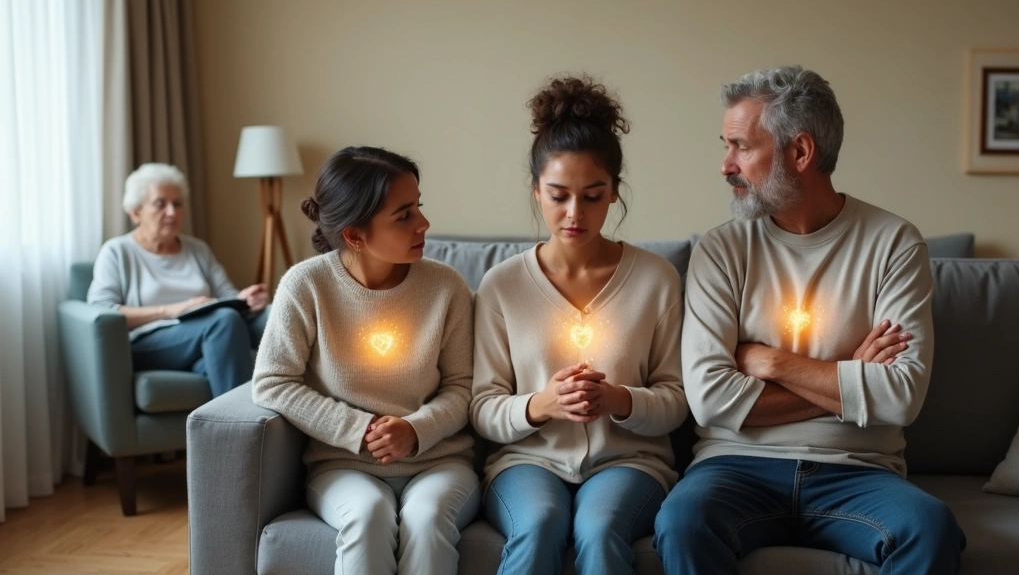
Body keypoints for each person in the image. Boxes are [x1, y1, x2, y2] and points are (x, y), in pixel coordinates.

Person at [652, 66, 966, 574]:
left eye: (741, 147)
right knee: (683, 522)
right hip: (734, 468)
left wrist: (770, 362)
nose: (725, 165)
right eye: (726, 145)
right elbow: (709, 400)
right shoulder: (722, 249)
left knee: (930, 528)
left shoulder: (893, 244)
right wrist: (849, 375)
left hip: (860, 472)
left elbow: (901, 397)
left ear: (800, 153)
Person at [471, 76, 687, 575]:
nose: (574, 213)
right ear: (536, 193)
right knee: (541, 521)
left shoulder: (655, 279)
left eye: (592, 196)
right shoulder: (502, 285)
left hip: (630, 462)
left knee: (600, 527)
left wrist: (619, 400)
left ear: (614, 193)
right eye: (558, 195)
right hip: (526, 463)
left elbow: (677, 399)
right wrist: (541, 405)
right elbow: (482, 407)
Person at [252, 147, 479, 575]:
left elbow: (463, 386)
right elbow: (273, 381)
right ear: (356, 235)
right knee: (368, 514)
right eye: (404, 214)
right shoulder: (306, 286)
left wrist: (416, 429)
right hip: (342, 465)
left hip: (440, 462)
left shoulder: (446, 286)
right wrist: (361, 430)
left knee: (427, 519)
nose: (424, 224)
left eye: (419, 207)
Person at [87, 162, 267, 398]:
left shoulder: (197, 249)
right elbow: (101, 311)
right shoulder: (117, 251)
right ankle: (245, 429)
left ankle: (227, 429)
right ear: (136, 212)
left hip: (206, 338)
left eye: (177, 204)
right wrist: (173, 310)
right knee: (224, 320)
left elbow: (227, 296)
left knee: (218, 356)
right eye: (160, 204)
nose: (172, 212)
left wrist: (245, 300)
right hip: (147, 343)